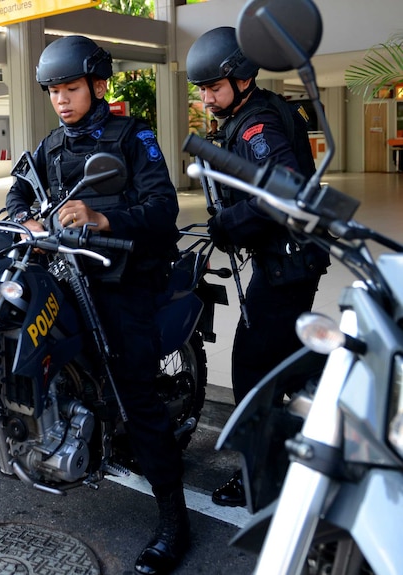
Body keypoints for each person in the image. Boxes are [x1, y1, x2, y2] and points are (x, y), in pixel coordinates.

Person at [5, 35, 187, 575]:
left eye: (70, 88)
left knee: (136, 391)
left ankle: (174, 519)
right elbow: (19, 191)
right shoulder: (51, 147)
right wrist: (26, 220)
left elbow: (163, 209)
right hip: (68, 275)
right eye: (53, 90)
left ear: (98, 86)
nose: (61, 99)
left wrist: (105, 219)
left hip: (124, 278)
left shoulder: (133, 137)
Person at [186, 26, 330, 508]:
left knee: (251, 368)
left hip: (286, 264)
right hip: (288, 261)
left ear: (242, 78)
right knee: (284, 362)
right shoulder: (249, 116)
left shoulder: (256, 127)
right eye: (201, 89)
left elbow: (284, 191)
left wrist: (231, 222)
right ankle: (308, 447)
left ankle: (259, 475)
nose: (206, 98)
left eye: (212, 87)